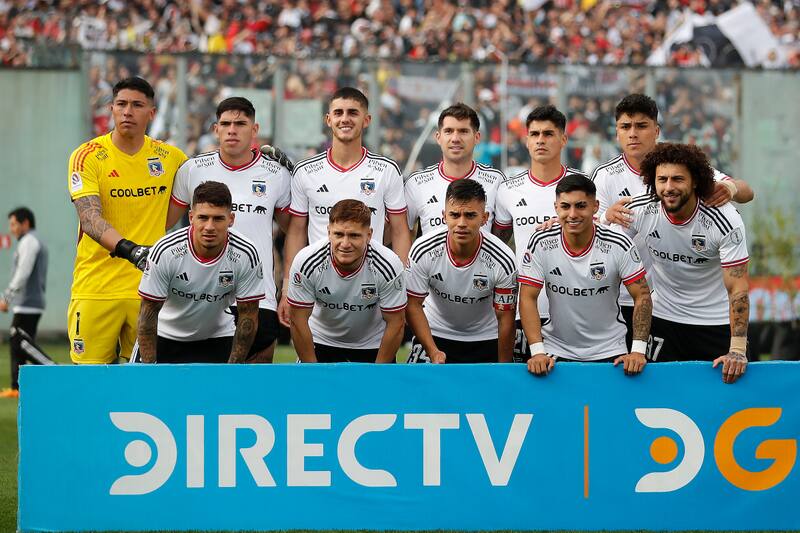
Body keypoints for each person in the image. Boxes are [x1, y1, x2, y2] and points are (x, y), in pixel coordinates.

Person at [590, 93, 753, 351]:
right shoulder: (605, 176)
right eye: (625, 127)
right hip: (623, 297)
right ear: (617, 132)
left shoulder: (681, 165)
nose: (633, 134)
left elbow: (746, 190)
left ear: (656, 130)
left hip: (677, 302)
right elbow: (589, 231)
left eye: (641, 126)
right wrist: (605, 217)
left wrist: (729, 189)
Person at [67, 76, 187, 364]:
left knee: (147, 387)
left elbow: (207, 190)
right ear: (111, 109)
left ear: (152, 113)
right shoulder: (88, 156)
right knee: (90, 387)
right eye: (121, 104)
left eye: (136, 105)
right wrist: (130, 250)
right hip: (95, 287)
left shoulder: (172, 158)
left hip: (150, 291)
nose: (127, 111)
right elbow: (90, 218)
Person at [167, 96, 290, 363]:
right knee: (206, 388)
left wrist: (288, 287)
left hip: (260, 295)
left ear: (254, 130)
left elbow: (297, 230)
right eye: (226, 124)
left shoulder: (276, 174)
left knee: (254, 389)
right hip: (203, 296)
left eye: (240, 123)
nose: (232, 130)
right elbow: (161, 224)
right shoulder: (192, 170)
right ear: (216, 129)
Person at [280, 87, 410, 327]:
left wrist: (401, 285)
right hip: (319, 292)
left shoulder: (386, 170)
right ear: (328, 120)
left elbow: (401, 231)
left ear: (367, 120)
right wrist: (288, 285)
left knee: (377, 362)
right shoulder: (306, 171)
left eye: (353, 112)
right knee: (315, 362)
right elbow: (296, 231)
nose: (345, 118)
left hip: (373, 291)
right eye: (338, 112)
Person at [622, 143, 750, 383]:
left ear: (695, 182)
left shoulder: (724, 218)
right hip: (663, 320)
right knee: (656, 397)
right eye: (662, 180)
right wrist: (557, 225)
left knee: (722, 404)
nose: (669, 187)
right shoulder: (639, 210)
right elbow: (596, 240)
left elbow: (738, 288)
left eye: (678, 179)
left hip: (715, 324)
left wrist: (737, 350)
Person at [518, 174, 652, 376]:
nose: (572, 214)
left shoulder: (619, 243)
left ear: (595, 206)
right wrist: (537, 352)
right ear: (556, 207)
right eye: (565, 206)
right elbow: (527, 297)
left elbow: (642, 295)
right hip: (556, 348)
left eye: (580, 206)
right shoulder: (541, 241)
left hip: (610, 349)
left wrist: (638, 351)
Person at [492, 105, 587, 362]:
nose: (540, 140)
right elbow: (497, 243)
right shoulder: (508, 190)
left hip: (577, 309)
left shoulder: (585, 186)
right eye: (534, 134)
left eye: (548, 134)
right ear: (526, 140)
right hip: (528, 307)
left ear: (563, 139)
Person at [132, 181, 264, 363]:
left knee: (224, 392)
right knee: (146, 390)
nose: (209, 227)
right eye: (203, 218)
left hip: (217, 336)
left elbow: (248, 316)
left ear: (231, 219)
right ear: (191, 217)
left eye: (218, 219)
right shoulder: (165, 251)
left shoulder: (246, 254)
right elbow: (147, 315)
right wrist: (150, 369)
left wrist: (234, 368)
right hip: (164, 335)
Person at [405, 179, 517, 364]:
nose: (462, 223)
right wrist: (433, 352)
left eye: (470, 215)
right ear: (444, 216)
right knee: (419, 391)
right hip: (435, 334)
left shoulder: (503, 259)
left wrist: (502, 367)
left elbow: (506, 318)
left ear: (485, 217)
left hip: (486, 337)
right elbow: (413, 305)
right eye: (455, 215)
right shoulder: (423, 249)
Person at [287, 199, 406, 363]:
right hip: (321, 341)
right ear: (329, 232)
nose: (345, 244)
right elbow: (298, 320)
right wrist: (312, 372)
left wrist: (379, 375)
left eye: (354, 236)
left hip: (372, 345)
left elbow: (396, 323)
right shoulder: (306, 261)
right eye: (338, 234)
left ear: (369, 235)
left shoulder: (389, 265)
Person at [404, 103, 505, 236]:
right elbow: (402, 232)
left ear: (477, 137)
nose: (455, 139)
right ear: (438, 138)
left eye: (463, 131)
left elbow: (502, 235)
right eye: (448, 131)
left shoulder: (496, 181)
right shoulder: (416, 183)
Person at [0, 208, 53, 398]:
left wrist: (6, 298)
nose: (11, 229)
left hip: (29, 303)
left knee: (19, 342)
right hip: (27, 303)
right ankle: (17, 388)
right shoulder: (28, 241)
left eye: (14, 224)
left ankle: (51, 369)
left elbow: (22, 273)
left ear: (25, 223)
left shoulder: (30, 241)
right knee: (17, 344)